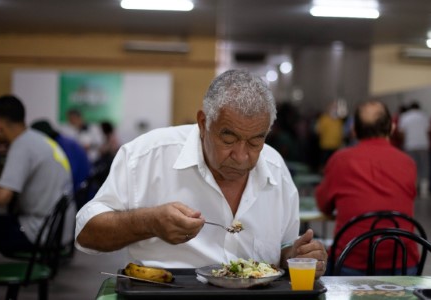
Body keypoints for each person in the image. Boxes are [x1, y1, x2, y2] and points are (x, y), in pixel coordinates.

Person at [75, 69, 328, 277]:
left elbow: (284, 248)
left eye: (255, 142)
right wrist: (148, 222)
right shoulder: (146, 156)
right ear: (203, 123)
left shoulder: (275, 167)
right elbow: (86, 233)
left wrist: (295, 257)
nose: (241, 156)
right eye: (228, 138)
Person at [0, 95, 74, 298]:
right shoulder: (35, 139)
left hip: (35, 229)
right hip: (55, 228)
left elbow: (2, 197)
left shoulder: (21, 147)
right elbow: (10, 183)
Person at [315, 100, 418, 276]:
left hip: (350, 263)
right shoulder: (408, 163)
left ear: (354, 130)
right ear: (392, 128)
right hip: (402, 266)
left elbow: (324, 205)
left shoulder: (340, 160)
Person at [31, 119, 91, 194]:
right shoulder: (64, 142)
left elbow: (69, 175)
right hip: (81, 190)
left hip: (80, 193)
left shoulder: (63, 146)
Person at [398, 102, 430, 197]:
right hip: (423, 145)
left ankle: (412, 189)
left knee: (411, 168)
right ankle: (424, 191)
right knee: (424, 167)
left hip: (409, 145)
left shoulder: (405, 116)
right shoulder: (424, 116)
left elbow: (401, 133)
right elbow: (429, 131)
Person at [315, 101, 343, 171]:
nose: (334, 109)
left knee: (335, 164)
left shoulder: (339, 120)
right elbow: (318, 131)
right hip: (325, 146)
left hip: (336, 146)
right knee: (324, 164)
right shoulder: (323, 119)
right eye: (333, 107)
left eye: (335, 108)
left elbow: (341, 132)